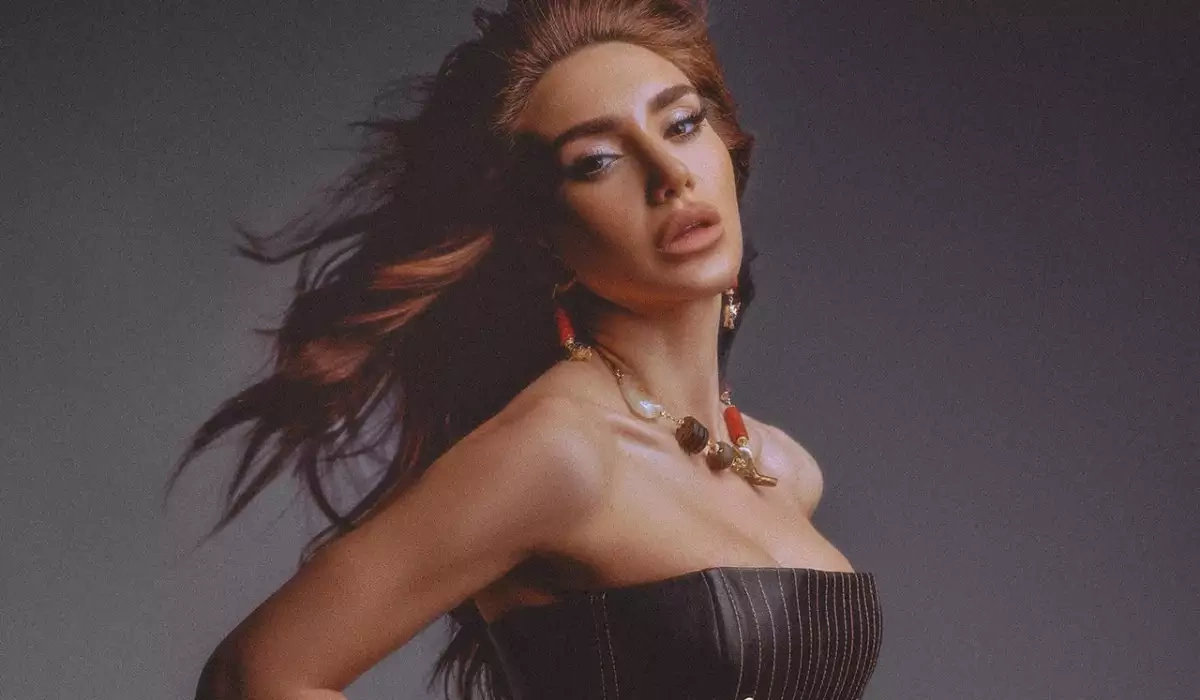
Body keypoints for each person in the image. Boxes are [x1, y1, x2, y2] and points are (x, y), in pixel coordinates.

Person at [175, 1, 883, 698]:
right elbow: (255, 676)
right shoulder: (559, 450)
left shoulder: (786, 470)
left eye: (682, 123)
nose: (669, 173)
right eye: (597, 161)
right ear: (541, 235)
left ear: (726, 149)